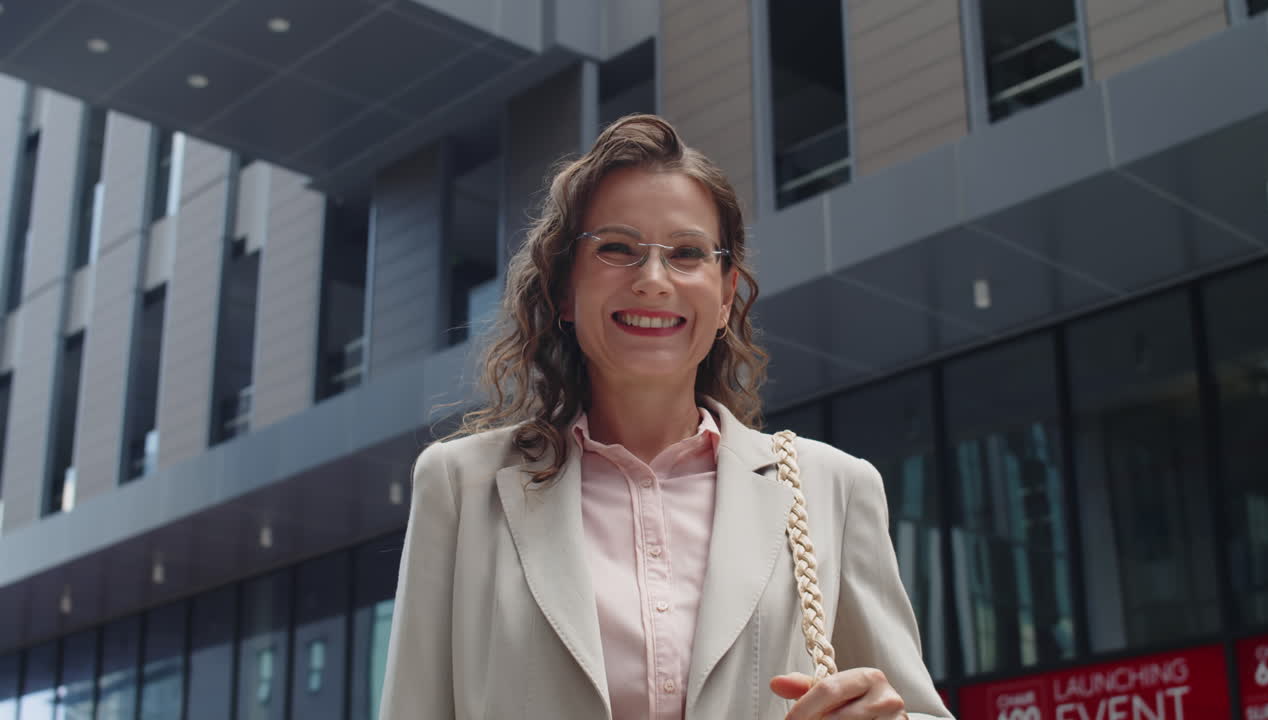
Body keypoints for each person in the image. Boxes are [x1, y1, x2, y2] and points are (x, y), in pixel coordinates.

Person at [379, 115, 952, 720]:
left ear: (727, 293)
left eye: (686, 254)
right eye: (617, 249)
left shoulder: (831, 488)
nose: (653, 281)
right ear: (565, 290)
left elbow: (912, 710)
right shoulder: (458, 486)